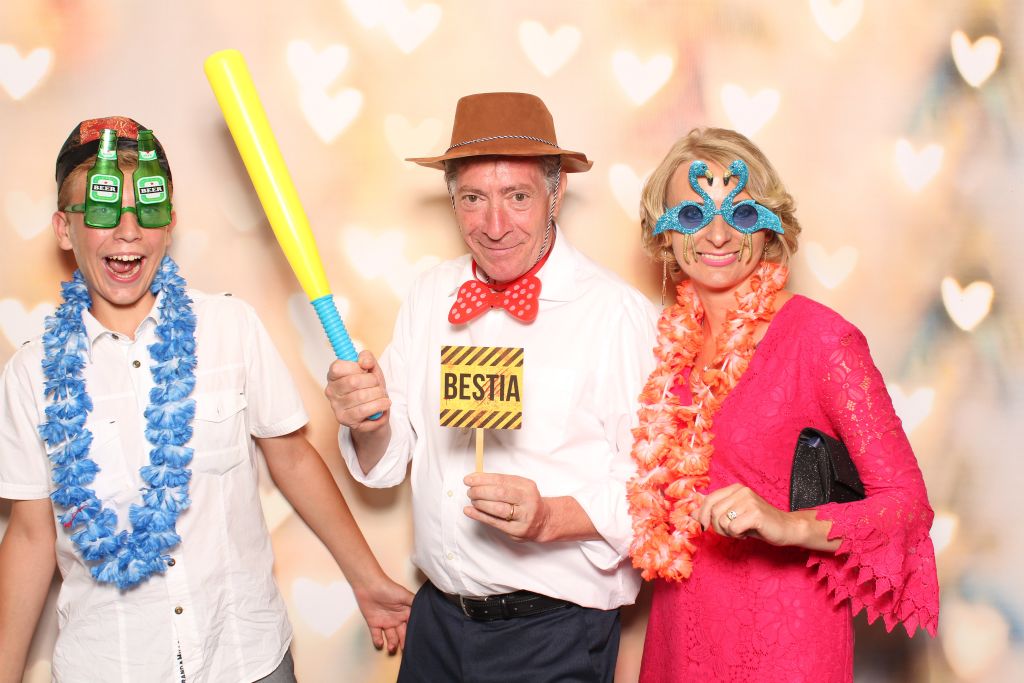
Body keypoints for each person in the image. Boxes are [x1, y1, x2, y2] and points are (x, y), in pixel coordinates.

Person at [0, 116, 412, 683]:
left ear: (168, 224)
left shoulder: (230, 326)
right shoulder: (30, 375)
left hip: (245, 657)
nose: (127, 231)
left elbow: (293, 459)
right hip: (110, 666)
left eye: (146, 210)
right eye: (101, 211)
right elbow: (30, 533)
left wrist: (368, 579)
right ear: (64, 230)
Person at [324, 92, 658, 682]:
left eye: (517, 197)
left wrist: (550, 518)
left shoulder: (616, 314)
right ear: (453, 199)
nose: (495, 225)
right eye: (474, 199)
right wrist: (368, 420)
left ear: (555, 193)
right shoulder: (431, 294)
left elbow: (655, 491)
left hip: (553, 634)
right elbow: (388, 459)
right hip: (436, 624)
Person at [628, 127, 940, 681]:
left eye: (742, 214)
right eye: (694, 215)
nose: (718, 234)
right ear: (664, 233)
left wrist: (789, 524)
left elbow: (908, 505)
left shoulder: (821, 340)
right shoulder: (667, 345)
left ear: (769, 226)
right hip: (680, 635)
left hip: (785, 642)